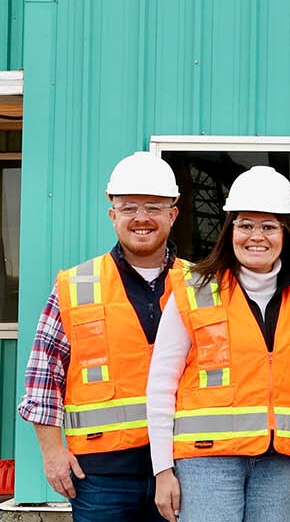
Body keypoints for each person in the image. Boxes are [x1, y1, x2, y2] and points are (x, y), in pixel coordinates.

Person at [18, 152, 187, 521]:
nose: (141, 218)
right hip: (100, 475)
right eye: (129, 208)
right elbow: (44, 377)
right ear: (113, 215)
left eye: (153, 207)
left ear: (172, 215)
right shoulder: (76, 285)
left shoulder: (201, 284)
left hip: (183, 466)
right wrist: (51, 453)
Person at [147, 166, 290, 522]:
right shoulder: (193, 290)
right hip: (207, 459)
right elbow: (161, 384)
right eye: (245, 225)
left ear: (286, 233)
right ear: (230, 230)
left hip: (282, 459)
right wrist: (162, 469)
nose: (257, 236)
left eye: (269, 226)